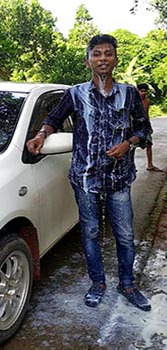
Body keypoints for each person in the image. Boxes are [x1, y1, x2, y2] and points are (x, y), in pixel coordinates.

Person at [26, 34, 152, 312]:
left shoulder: (129, 93)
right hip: (85, 177)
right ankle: (97, 283)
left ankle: (128, 284)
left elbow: (144, 129)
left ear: (116, 60)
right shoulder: (75, 94)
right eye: (97, 54)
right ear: (88, 61)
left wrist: (127, 144)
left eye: (108, 54)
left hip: (119, 177)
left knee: (125, 233)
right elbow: (54, 119)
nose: (103, 58)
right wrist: (41, 136)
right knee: (91, 232)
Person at [137, 83, 161, 172]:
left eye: (145, 91)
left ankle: (150, 164)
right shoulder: (134, 101)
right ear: (138, 91)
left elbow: (147, 115)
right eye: (141, 91)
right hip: (135, 126)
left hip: (145, 125)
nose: (143, 93)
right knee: (131, 146)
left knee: (149, 144)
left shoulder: (147, 102)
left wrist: (149, 125)